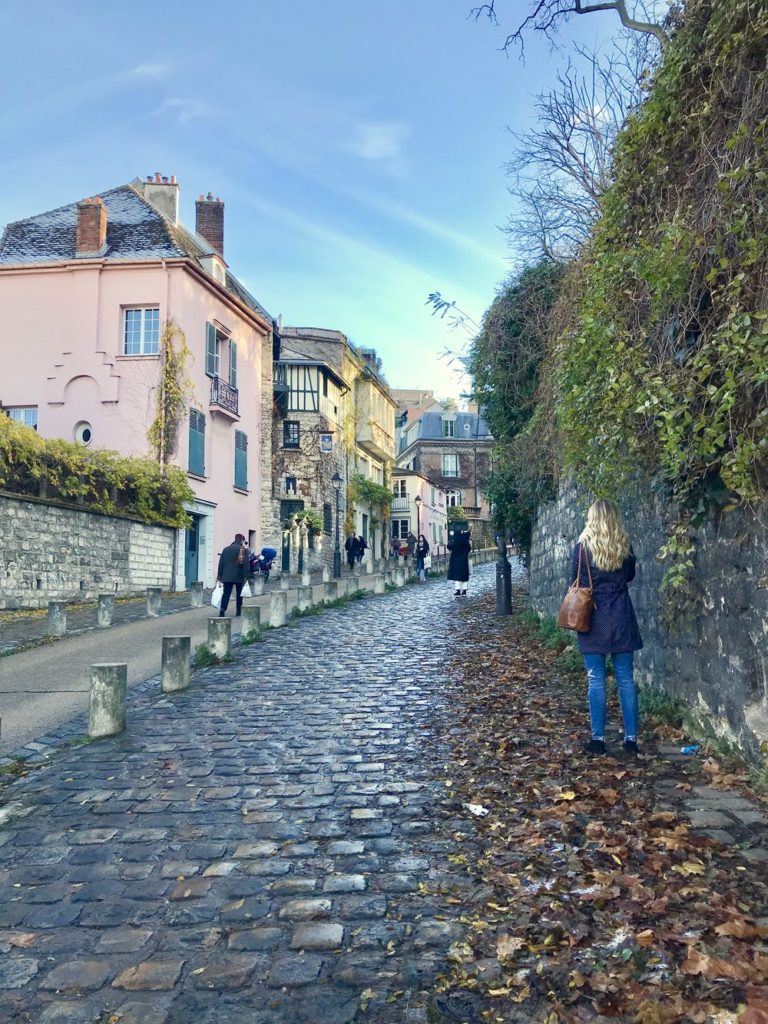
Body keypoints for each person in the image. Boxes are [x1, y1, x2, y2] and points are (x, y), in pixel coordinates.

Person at [571, 499, 643, 757]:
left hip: (593, 617)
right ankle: (631, 740)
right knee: (626, 679)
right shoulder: (625, 545)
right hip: (621, 614)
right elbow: (630, 576)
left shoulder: (582, 548)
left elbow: (575, 580)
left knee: (596, 679)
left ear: (591, 518)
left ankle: (598, 740)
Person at [217, 533, 248, 617]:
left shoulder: (226, 549)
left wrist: (219, 575)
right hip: (238, 575)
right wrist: (246, 576)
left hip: (227, 575)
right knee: (239, 594)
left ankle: (222, 609)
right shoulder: (242, 549)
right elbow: (245, 564)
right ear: (242, 540)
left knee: (226, 593)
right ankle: (238, 610)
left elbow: (221, 563)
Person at [447, 528, 471, 596]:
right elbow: (469, 548)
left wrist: (449, 543)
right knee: (464, 576)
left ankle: (458, 590)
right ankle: (464, 591)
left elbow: (449, 546)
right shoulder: (465, 540)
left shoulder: (455, 541)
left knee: (457, 576)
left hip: (456, 561)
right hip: (464, 561)